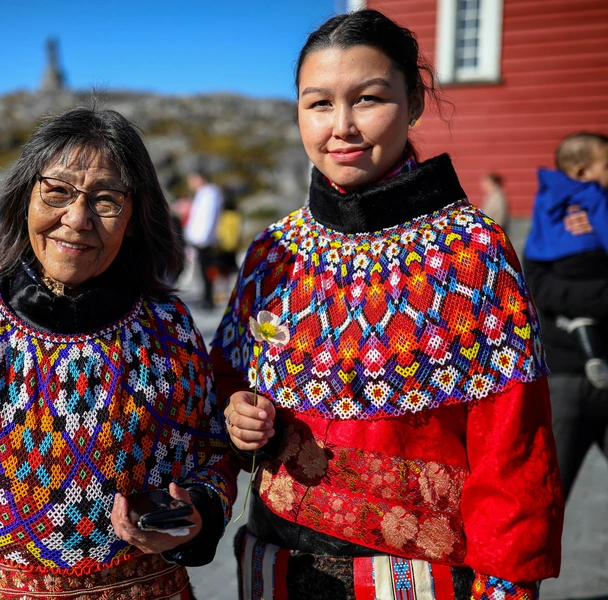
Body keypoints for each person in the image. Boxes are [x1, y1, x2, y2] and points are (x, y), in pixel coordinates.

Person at [215, 10, 563, 599]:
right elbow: (222, 386)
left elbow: (514, 450)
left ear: (415, 102)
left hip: (420, 583)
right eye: (318, 104)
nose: (342, 126)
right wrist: (238, 417)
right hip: (275, 570)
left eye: (369, 99)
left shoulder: (470, 252)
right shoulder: (274, 253)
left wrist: (507, 587)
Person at [0, 106, 237, 600]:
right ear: (26, 195)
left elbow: (212, 458)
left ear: (133, 218)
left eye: (107, 200)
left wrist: (192, 516)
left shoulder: (169, 328)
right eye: (57, 192)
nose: (77, 219)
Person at [524, 132, 608, 499]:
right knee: (548, 495)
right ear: (582, 172)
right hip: (566, 376)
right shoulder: (551, 216)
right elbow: (538, 288)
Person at [183, 171, 223, 308]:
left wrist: (203, 237)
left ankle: (208, 298)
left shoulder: (210, 193)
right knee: (203, 269)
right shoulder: (203, 194)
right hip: (199, 238)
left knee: (207, 269)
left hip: (204, 239)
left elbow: (208, 217)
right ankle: (206, 296)